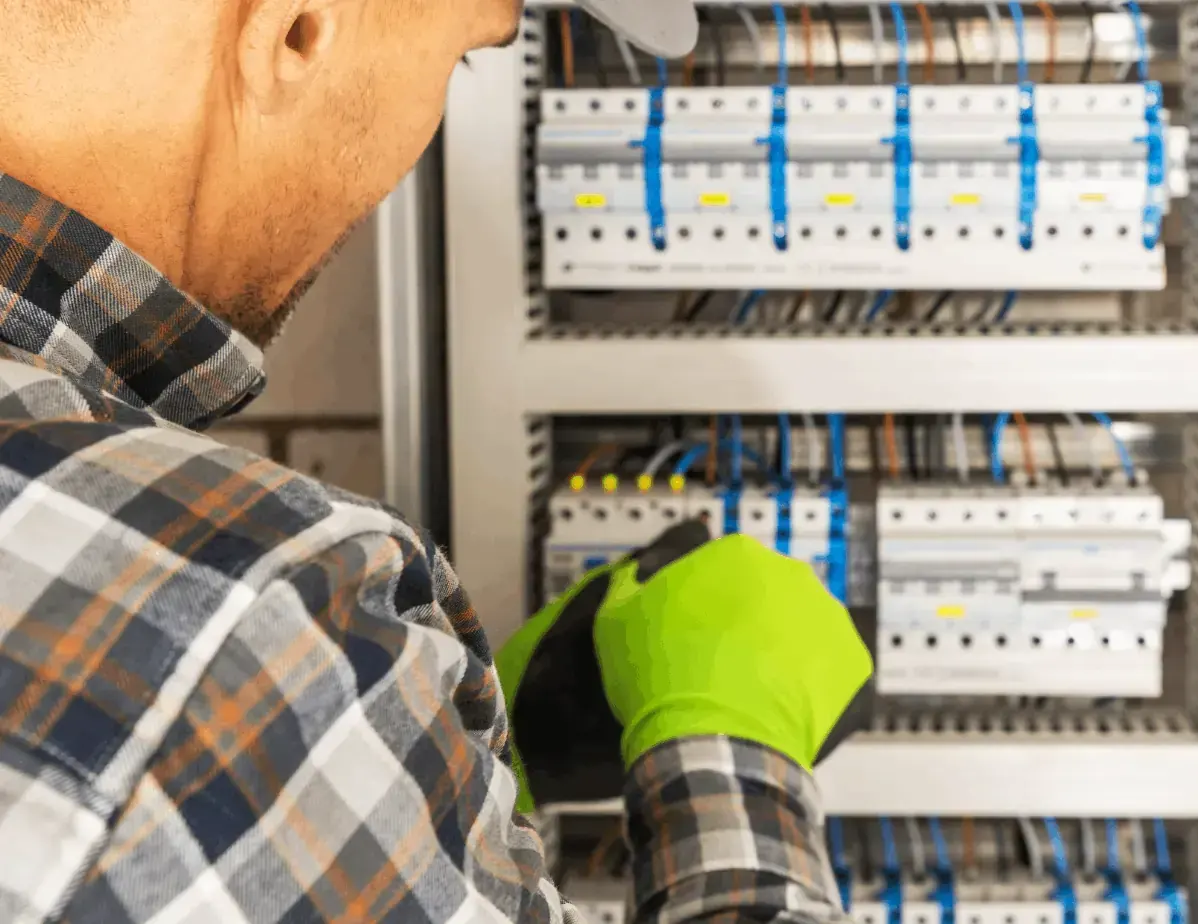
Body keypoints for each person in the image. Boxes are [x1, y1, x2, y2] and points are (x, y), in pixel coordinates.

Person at [0, 1, 871, 922]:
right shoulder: (245, 626)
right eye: (461, 59)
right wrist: (730, 741)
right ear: (297, 28)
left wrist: (432, 753)